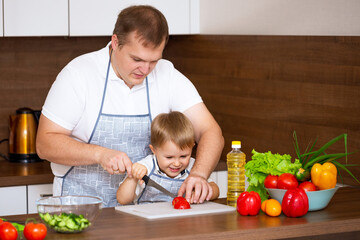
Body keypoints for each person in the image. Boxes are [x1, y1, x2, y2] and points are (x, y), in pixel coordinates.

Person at [36, 5, 224, 208]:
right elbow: (45, 143)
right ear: (115, 42)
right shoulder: (79, 75)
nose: (145, 70)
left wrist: (198, 175)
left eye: (153, 61)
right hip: (81, 210)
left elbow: (211, 131)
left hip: (143, 217)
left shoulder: (167, 75)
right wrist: (100, 154)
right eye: (137, 59)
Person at [117, 111, 220, 205]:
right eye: (169, 157)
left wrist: (201, 192)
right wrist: (133, 177)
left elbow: (216, 190)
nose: (176, 163)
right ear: (154, 150)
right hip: (148, 222)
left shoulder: (194, 168)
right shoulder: (145, 167)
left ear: (192, 148)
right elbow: (122, 199)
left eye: (183, 156)